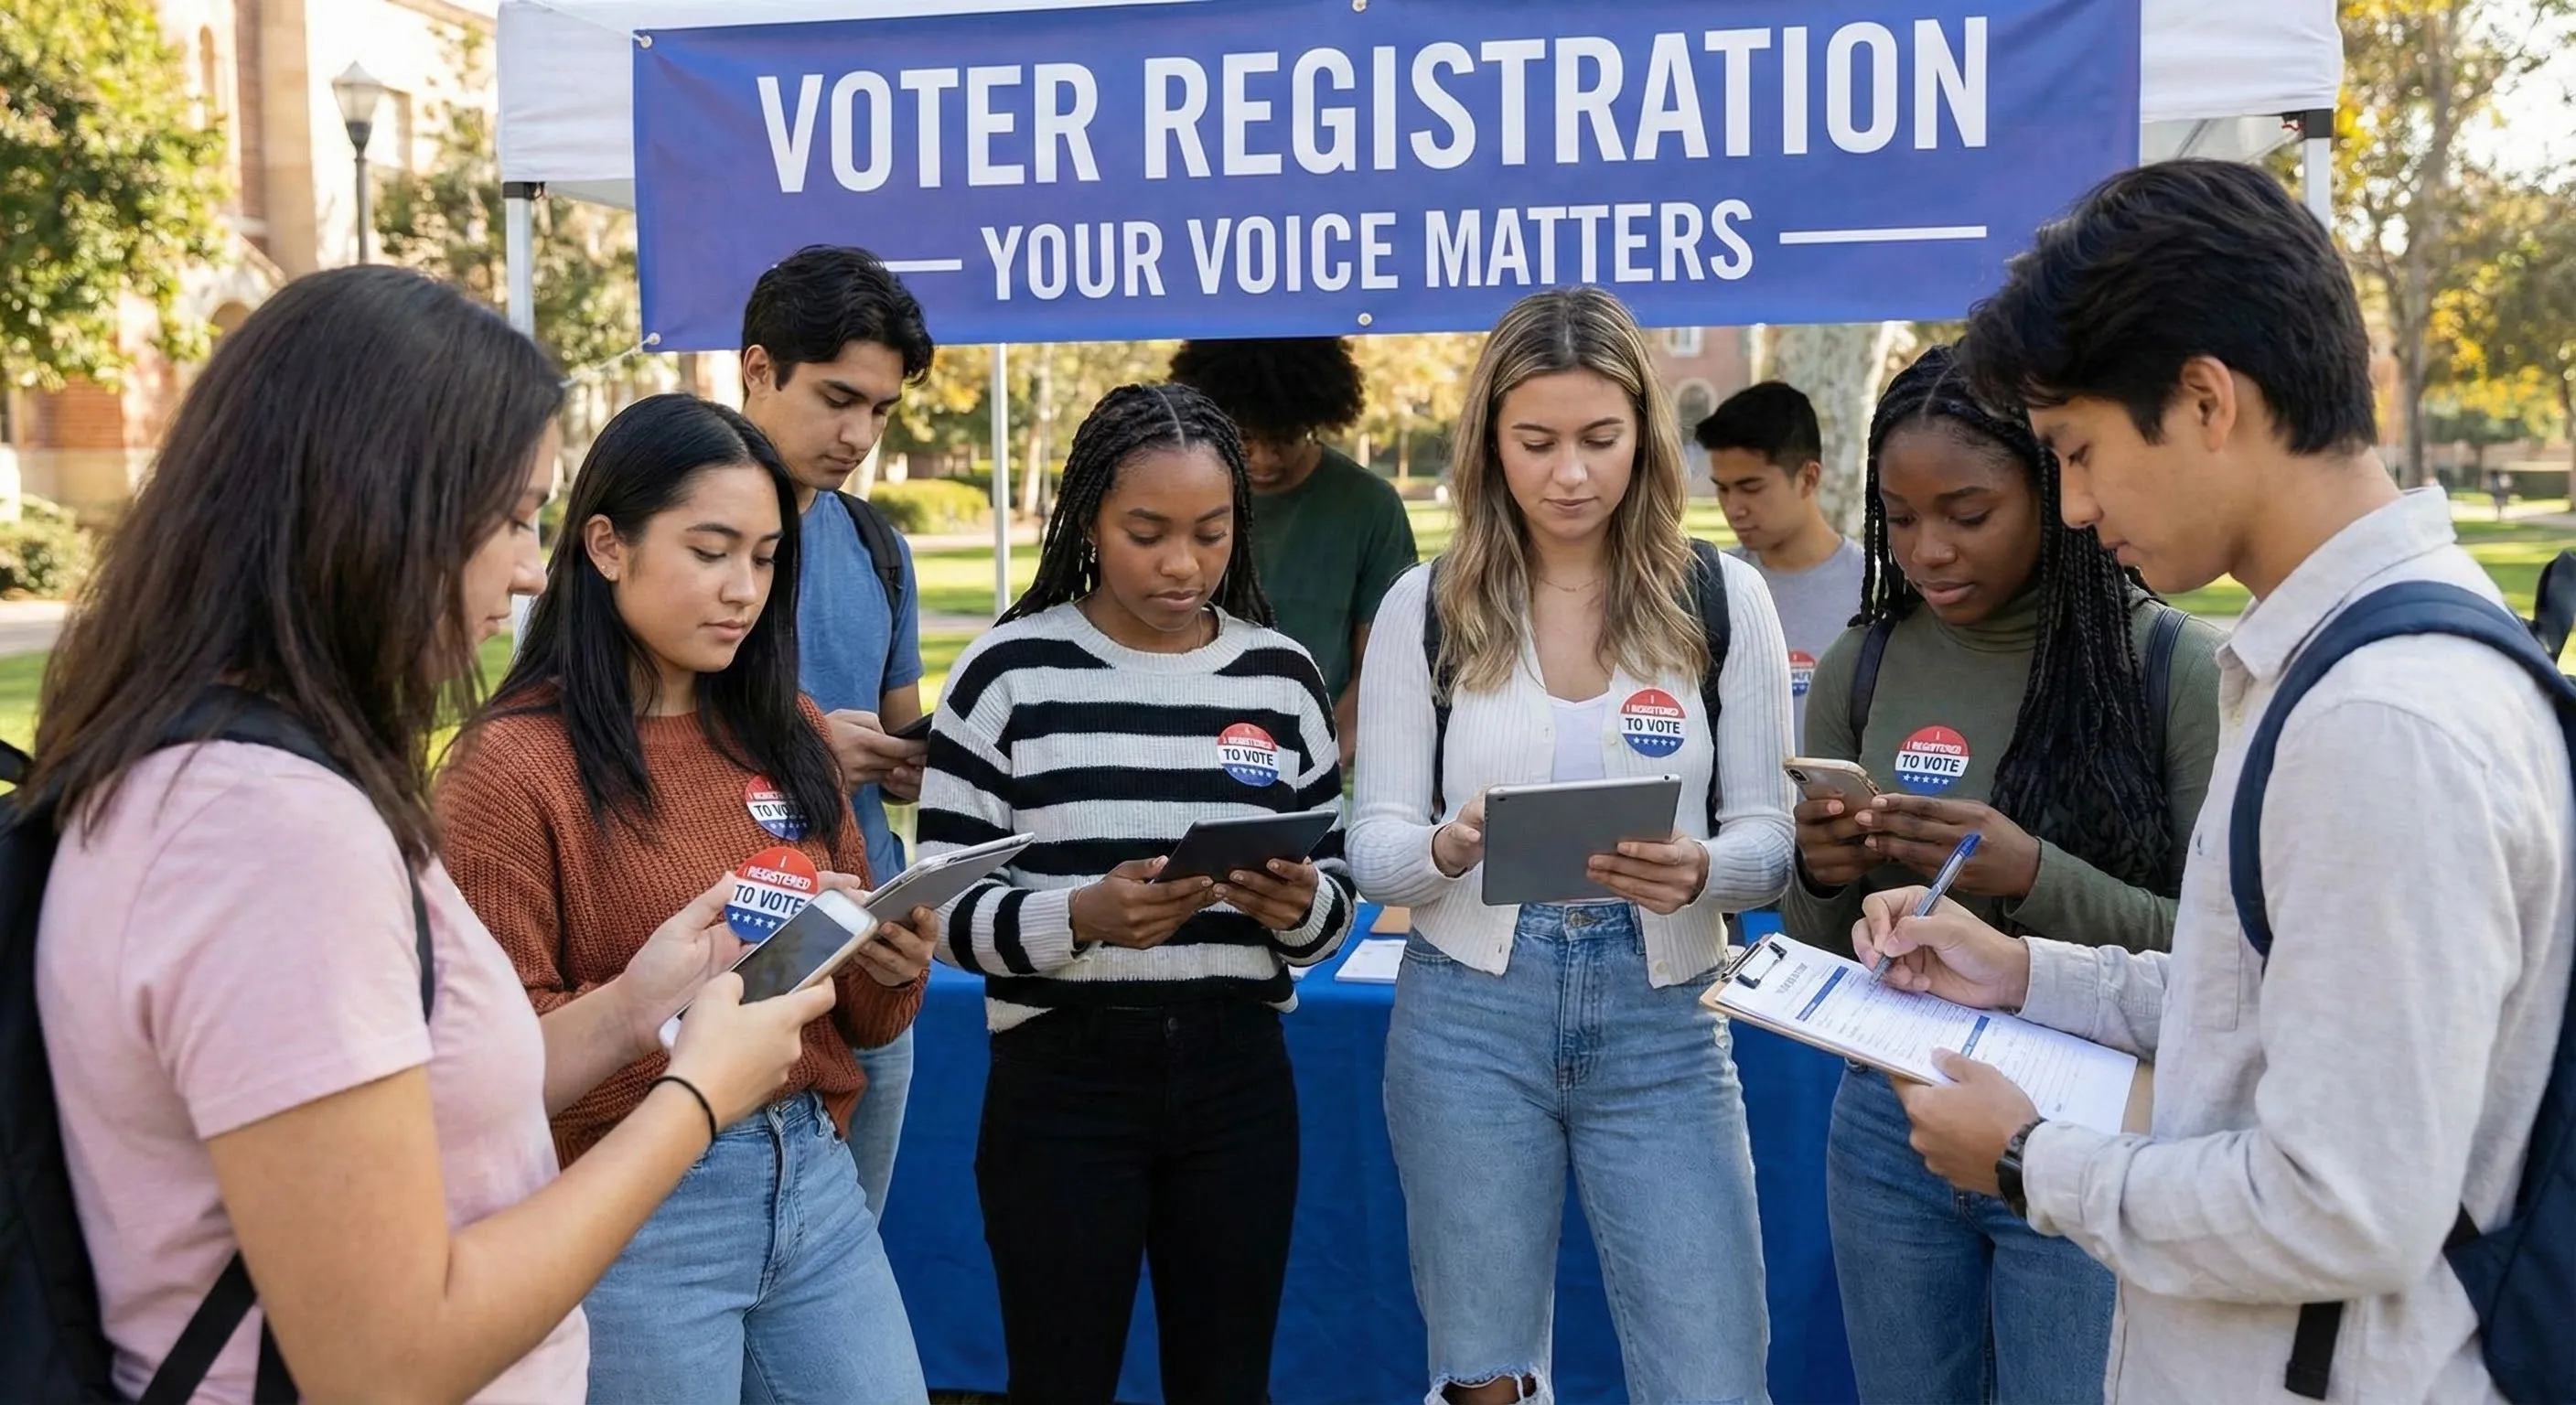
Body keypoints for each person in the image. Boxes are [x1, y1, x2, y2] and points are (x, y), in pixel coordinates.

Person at [29, 267, 825, 1402]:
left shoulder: (217, 768)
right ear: (366, 509)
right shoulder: (266, 833)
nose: (526, 566)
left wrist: (634, 1006)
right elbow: (387, 1359)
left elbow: (418, 1101)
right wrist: (696, 1099)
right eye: (507, 519)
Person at [1873, 158, 2572, 1403]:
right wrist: (2031, 973)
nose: (2077, 510)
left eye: (2078, 453)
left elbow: (2344, 1205)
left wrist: (2035, 1164)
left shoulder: (2382, 720)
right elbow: (2261, 1003)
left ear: (2205, 400)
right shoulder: (2326, 659)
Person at [437, 394, 933, 1403]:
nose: (742, 590)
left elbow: (867, 1026)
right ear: (608, 546)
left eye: (763, 557)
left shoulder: (784, 726)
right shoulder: (510, 768)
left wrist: (890, 959)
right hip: (632, 1204)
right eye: (710, 551)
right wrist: (647, 1003)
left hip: (813, 1183)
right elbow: (491, 1070)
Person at [1349, 286, 1796, 1405]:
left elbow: (1769, 843)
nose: (1568, 475)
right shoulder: (1427, 604)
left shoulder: (1721, 597)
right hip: (1467, 1018)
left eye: (1599, 439)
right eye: (1535, 442)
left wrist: (1704, 868)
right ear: (1487, 444)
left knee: (1711, 1372)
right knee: (1482, 1375)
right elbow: (1374, 846)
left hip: (1667, 1019)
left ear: (1643, 434)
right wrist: (1449, 851)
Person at [1780, 343, 2223, 1404]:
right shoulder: (1865, 660)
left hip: (2086, 1126)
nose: (1927, 549)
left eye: (1967, 514)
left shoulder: (2167, 667)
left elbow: (2221, 964)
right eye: (1896, 515)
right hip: (1888, 1116)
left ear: (2052, 487)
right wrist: (1820, 869)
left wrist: (2032, 876)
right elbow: (1804, 945)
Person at [914, 381, 1358, 1403]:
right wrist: (1078, 915)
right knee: (1060, 1377)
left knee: (1226, 1380)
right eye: (1145, 531)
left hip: (1237, 1079)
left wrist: (1294, 909)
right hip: (1060, 1087)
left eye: (1210, 533)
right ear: (1085, 519)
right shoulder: (1006, 677)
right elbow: (939, 910)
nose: (1181, 564)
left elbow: (1332, 891)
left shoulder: (1279, 679)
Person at [739, 244, 937, 1218]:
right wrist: (810, 744)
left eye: (881, 411)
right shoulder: (666, 527)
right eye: (836, 398)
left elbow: (896, 734)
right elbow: (612, 738)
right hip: (730, 948)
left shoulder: (875, 543)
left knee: (846, 1276)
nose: (858, 432)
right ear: (757, 369)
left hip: (865, 948)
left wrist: (913, 760)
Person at [1170, 336, 1419, 762]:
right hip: (1189, 746)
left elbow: (1383, 669)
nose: (1265, 459)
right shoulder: (1180, 496)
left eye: (1285, 437)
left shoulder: (1369, 504)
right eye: (1244, 438)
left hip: (1324, 755)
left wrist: (1320, 760)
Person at [1699, 380, 1867, 752]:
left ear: (1808, 478)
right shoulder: (1711, 587)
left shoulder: (1871, 591)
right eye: (1723, 489)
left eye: (1751, 487)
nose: (1733, 508)